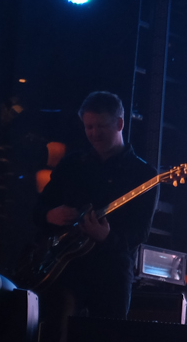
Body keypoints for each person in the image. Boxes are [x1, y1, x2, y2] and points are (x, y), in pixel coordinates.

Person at [33, 91, 159, 322]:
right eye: (88, 127)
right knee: (54, 334)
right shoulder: (72, 164)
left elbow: (140, 233)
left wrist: (106, 237)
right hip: (64, 271)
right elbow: (38, 208)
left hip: (111, 276)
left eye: (101, 126)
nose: (93, 133)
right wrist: (50, 215)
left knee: (104, 339)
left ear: (119, 124)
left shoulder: (143, 175)